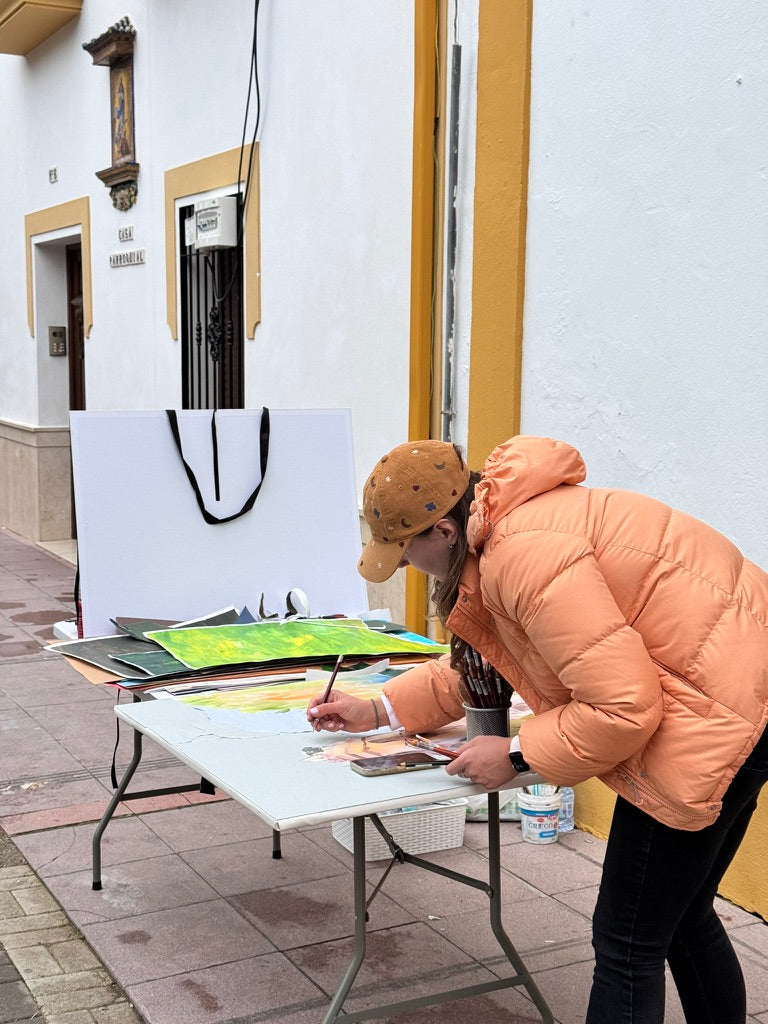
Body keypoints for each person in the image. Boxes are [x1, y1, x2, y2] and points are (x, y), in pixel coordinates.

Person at [307, 435, 768, 1024]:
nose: (404, 567)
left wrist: (519, 755)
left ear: (443, 533)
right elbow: (502, 656)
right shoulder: (508, 526)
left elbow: (623, 707)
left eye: (403, 553)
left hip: (713, 717)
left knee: (627, 943)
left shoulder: (521, 556)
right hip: (739, 697)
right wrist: (377, 711)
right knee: (682, 916)